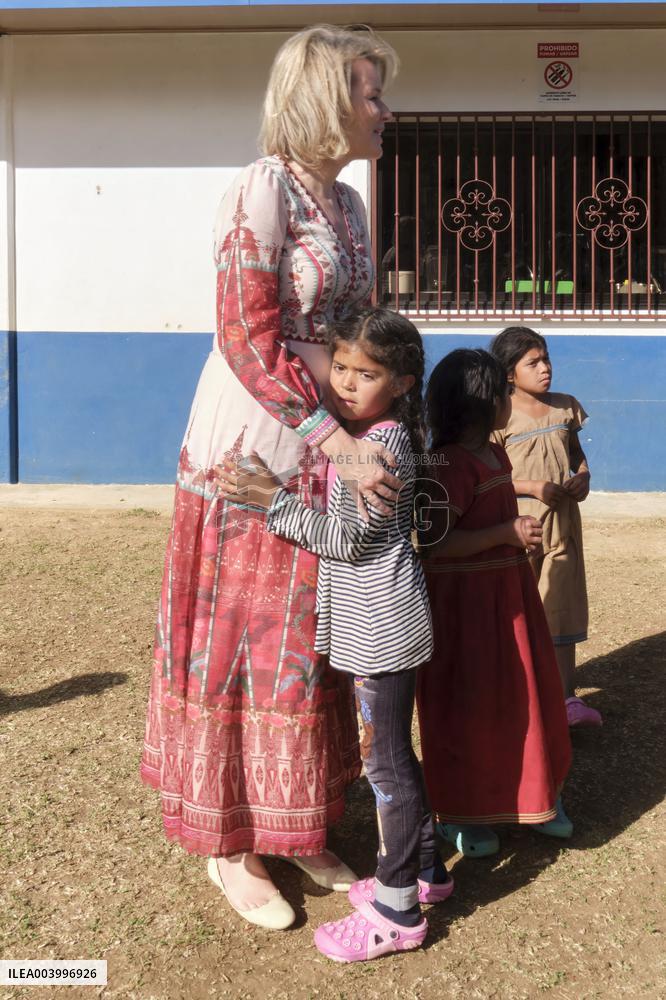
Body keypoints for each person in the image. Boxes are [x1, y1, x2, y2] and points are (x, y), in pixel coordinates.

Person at [140, 25, 401, 930]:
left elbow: (360, 327)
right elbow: (246, 337)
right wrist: (335, 438)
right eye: (372, 95)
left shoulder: (352, 207)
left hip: (333, 442)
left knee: (309, 642)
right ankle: (232, 844)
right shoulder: (261, 189)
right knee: (245, 644)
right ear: (327, 100)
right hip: (256, 444)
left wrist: (385, 420)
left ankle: (297, 823)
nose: (385, 112)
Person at [218, 308, 453, 962]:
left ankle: (397, 910)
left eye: (366, 372)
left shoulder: (372, 450)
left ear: (402, 382)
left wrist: (272, 501)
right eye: (341, 367)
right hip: (384, 624)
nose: (346, 381)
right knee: (395, 760)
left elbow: (347, 541)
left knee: (386, 767)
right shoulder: (384, 434)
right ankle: (428, 874)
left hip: (379, 631)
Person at [416, 349, 572, 859]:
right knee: (469, 706)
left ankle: (533, 797)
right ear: (484, 402)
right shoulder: (447, 465)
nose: (514, 398)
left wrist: (509, 539)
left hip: (509, 599)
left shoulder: (495, 454)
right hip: (465, 612)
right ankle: (460, 812)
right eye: (504, 392)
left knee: (521, 697)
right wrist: (504, 533)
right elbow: (434, 544)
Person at [490, 326, 602, 728]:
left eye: (546, 359)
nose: (545, 369)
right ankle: (517, 693)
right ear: (508, 373)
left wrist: (583, 476)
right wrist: (531, 486)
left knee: (561, 609)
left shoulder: (565, 408)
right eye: (532, 363)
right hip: (520, 530)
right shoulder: (500, 414)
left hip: (564, 526)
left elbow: (577, 457)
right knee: (518, 609)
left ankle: (565, 700)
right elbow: (488, 474)